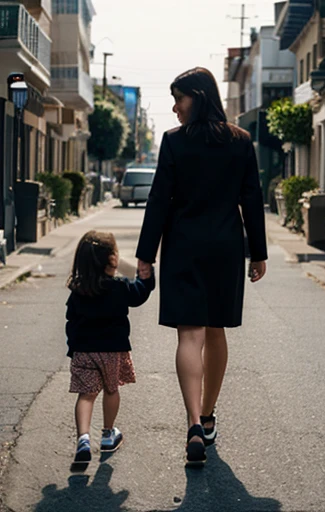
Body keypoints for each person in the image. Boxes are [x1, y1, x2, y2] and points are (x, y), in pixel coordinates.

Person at [136, 67, 267, 467]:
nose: (175, 108)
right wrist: (257, 253)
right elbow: (252, 201)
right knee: (216, 330)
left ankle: (192, 422)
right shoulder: (241, 141)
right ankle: (207, 417)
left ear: (198, 96)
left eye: (179, 98)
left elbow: (159, 200)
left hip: (183, 247)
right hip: (226, 247)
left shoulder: (174, 142)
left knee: (189, 335)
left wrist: (146, 254)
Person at [66, 230, 155, 464]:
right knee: (111, 389)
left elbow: (71, 320)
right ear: (112, 260)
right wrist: (146, 278)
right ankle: (107, 434)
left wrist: (73, 347)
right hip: (112, 351)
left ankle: (83, 438)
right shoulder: (119, 287)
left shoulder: (78, 290)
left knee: (86, 395)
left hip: (84, 350)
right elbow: (140, 295)